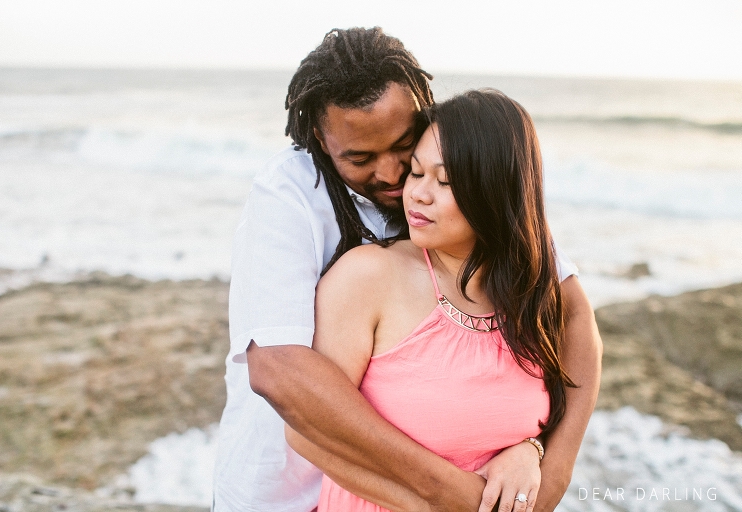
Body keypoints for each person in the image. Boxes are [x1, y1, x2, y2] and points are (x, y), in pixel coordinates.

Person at [212, 27, 602, 512]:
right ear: (319, 136)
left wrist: (549, 461)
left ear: (424, 103)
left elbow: (573, 312)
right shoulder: (288, 195)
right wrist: (451, 496)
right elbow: (279, 371)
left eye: (404, 148)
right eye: (360, 158)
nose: (395, 175)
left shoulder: (459, 176)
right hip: (284, 492)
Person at [285, 88, 578, 511]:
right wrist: (438, 503)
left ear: (495, 190)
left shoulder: (532, 295)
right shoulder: (368, 277)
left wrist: (531, 449)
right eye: (416, 173)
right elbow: (307, 430)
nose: (417, 194)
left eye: (444, 181)